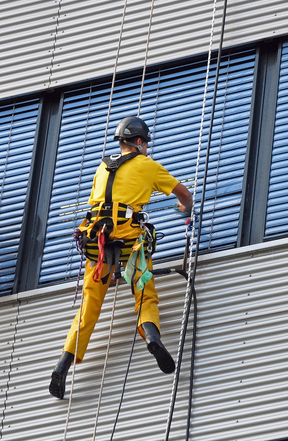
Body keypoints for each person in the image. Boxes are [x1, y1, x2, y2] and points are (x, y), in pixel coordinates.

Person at [49, 116, 193, 399]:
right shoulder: (147, 166)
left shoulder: (102, 166)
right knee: (144, 293)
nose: (147, 148)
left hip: (97, 240)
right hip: (129, 239)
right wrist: (183, 207)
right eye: (146, 144)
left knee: (90, 303)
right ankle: (152, 337)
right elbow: (184, 195)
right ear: (139, 142)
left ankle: (63, 364)